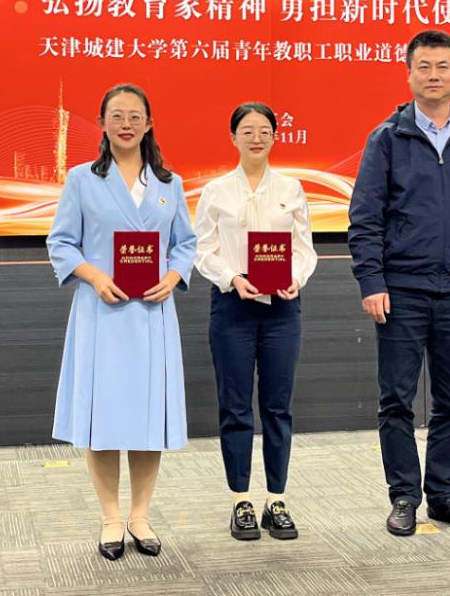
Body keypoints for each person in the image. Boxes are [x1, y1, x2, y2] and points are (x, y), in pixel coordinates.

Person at [348, 30, 450, 537]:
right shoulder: (387, 138)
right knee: (396, 401)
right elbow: (365, 218)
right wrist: (371, 281)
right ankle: (404, 496)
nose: (433, 75)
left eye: (442, 66)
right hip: (401, 291)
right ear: (409, 74)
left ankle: (443, 495)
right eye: (424, 66)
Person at [46, 83, 197, 561]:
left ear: (149, 124)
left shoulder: (169, 184)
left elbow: (186, 244)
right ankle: (111, 517)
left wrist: (173, 275)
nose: (126, 124)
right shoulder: (81, 180)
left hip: (152, 314)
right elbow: (61, 243)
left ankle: (140, 516)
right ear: (102, 123)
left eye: (135, 116)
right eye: (117, 115)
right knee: (104, 420)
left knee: (149, 419)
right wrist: (93, 275)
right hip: (102, 315)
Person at [193, 102, 318, 541]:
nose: (256, 137)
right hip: (233, 307)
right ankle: (240, 500)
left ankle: (276, 500)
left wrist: (296, 278)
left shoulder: (291, 188)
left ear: (275, 136)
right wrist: (232, 277)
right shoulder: (216, 191)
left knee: (278, 406)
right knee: (235, 406)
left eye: (264, 130)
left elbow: (304, 248)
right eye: (247, 130)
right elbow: (202, 250)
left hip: (282, 309)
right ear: (233, 137)